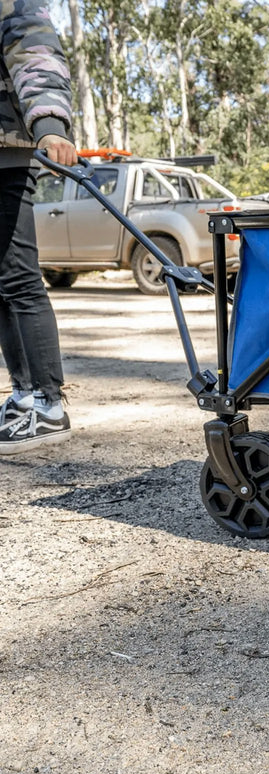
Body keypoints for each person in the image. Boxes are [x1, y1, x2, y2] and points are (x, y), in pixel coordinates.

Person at [0, 0, 77, 454]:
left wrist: (50, 124)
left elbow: (34, 47)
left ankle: (48, 404)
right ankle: (24, 394)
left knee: (18, 277)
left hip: (6, 147)